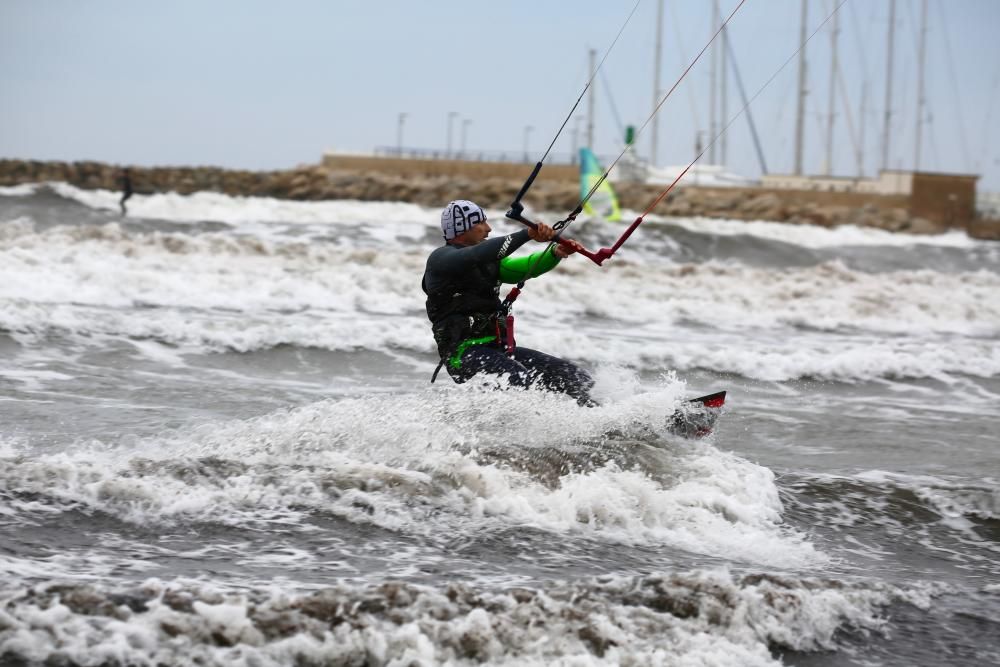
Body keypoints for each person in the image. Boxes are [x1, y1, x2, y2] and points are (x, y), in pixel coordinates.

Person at [422, 199, 595, 404]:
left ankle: (601, 423)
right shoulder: (441, 259)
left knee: (574, 377)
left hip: (498, 348)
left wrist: (555, 253)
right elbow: (477, 254)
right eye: (481, 223)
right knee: (520, 379)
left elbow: (524, 267)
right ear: (462, 228)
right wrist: (527, 234)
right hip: (463, 354)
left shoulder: (488, 263)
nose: (488, 228)